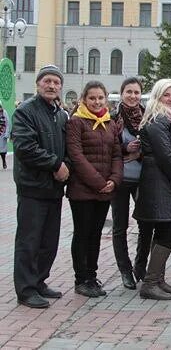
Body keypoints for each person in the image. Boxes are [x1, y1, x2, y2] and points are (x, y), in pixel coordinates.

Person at [12, 65, 69, 309]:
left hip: (54, 188)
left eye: (56, 82)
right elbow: (25, 148)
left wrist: (66, 163)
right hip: (33, 187)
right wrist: (56, 164)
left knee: (49, 240)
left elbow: (66, 145)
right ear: (38, 84)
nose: (52, 86)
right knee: (29, 240)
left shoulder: (59, 113)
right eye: (47, 81)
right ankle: (26, 290)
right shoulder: (26, 111)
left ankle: (39, 281)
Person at [134, 79, 171, 300]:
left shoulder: (166, 119)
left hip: (161, 182)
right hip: (159, 182)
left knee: (164, 231)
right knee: (169, 231)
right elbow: (166, 156)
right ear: (157, 97)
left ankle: (157, 279)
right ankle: (150, 283)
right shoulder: (158, 120)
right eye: (166, 95)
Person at [66, 81, 123, 297]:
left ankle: (92, 276)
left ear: (106, 99)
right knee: (83, 233)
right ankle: (81, 279)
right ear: (84, 99)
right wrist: (100, 183)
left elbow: (117, 154)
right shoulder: (76, 122)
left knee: (96, 234)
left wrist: (114, 180)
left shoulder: (109, 122)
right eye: (92, 98)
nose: (97, 102)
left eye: (100, 98)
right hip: (82, 190)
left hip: (105, 190)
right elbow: (76, 156)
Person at [110, 77, 152, 289]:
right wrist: (125, 150)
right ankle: (125, 270)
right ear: (122, 93)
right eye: (129, 92)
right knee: (120, 226)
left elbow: (156, 145)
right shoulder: (113, 118)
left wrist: (140, 153)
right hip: (119, 179)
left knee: (146, 224)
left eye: (136, 92)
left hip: (143, 179)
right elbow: (106, 147)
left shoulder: (148, 117)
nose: (133, 96)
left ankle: (140, 266)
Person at [0, 101, 9, 169]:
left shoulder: (4, 112)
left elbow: (7, 123)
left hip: (2, 134)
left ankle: (4, 161)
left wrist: (7, 133)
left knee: (3, 151)